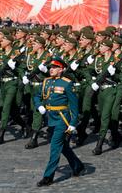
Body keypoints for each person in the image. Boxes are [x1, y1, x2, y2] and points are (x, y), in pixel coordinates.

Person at [35, 57, 84, 187]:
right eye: (51, 67)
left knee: (55, 148)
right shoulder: (46, 82)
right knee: (62, 146)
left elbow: (74, 106)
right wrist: (39, 105)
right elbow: (37, 95)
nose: (51, 69)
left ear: (61, 70)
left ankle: (48, 177)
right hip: (50, 118)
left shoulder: (67, 84)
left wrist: (73, 123)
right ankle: (77, 165)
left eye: (55, 67)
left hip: (62, 119)